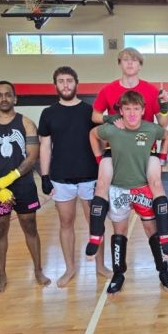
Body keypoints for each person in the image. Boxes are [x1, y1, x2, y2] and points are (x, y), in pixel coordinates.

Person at [89, 90, 168, 294]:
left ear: (143, 110)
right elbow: (92, 134)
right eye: (127, 109)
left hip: (142, 187)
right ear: (120, 111)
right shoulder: (112, 129)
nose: (131, 113)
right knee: (119, 232)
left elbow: (167, 135)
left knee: (152, 231)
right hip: (118, 188)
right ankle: (119, 274)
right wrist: (98, 158)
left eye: (136, 109)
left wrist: (162, 157)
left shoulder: (150, 128)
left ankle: (163, 271)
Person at [89, 47, 168, 258]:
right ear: (120, 63)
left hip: (144, 149)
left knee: (156, 187)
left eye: (134, 60)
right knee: (102, 185)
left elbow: (163, 124)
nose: (130, 63)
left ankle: (165, 238)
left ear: (140, 65)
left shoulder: (151, 90)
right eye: (125, 59)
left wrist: (163, 107)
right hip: (116, 148)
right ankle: (95, 234)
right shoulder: (108, 90)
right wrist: (111, 119)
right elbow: (95, 116)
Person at [0, 81, 51, 294]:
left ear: (15, 98)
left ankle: (38, 270)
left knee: (30, 227)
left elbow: (32, 156)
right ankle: (1, 276)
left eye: (8, 95)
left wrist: (11, 178)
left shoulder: (26, 123)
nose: (4, 99)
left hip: (23, 184)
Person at [38, 66, 109, 288]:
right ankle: (70, 268)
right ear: (55, 85)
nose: (66, 85)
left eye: (70, 80)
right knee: (65, 223)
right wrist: (45, 176)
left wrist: (105, 170)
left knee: (95, 224)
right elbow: (45, 146)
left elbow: (102, 141)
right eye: (61, 81)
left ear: (77, 83)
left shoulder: (90, 112)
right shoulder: (48, 113)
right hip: (61, 178)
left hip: (90, 177)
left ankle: (100, 265)